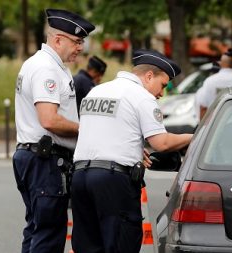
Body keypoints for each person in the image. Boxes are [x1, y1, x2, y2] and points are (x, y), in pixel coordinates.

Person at [71, 49, 193, 253]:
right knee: (122, 244)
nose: (161, 93)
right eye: (163, 85)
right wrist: (195, 136)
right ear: (149, 76)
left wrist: (133, 149)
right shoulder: (141, 96)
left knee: (88, 246)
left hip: (80, 178)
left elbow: (93, 131)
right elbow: (161, 143)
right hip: (113, 182)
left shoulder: (97, 91)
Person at [12, 8, 94, 253]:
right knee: (49, 233)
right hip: (45, 160)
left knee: (37, 228)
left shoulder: (45, 65)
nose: (80, 47)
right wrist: (86, 130)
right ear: (58, 39)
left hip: (35, 157)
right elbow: (49, 120)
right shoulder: (46, 68)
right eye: (77, 41)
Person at [198, 48, 232, 119]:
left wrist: (203, 128)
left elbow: (203, 107)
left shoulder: (209, 81)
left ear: (220, 63)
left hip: (216, 125)